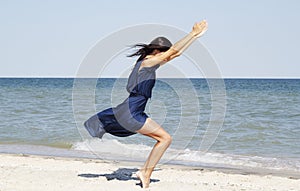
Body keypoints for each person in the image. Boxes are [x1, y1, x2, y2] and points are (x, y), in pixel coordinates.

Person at [84, 20, 208, 188]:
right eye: (162, 53)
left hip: (131, 109)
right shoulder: (147, 63)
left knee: (163, 139)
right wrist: (192, 34)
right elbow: (173, 52)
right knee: (165, 139)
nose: (165, 56)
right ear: (156, 51)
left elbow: (174, 54)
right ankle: (145, 172)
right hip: (132, 112)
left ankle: (146, 172)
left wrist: (195, 37)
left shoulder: (146, 65)